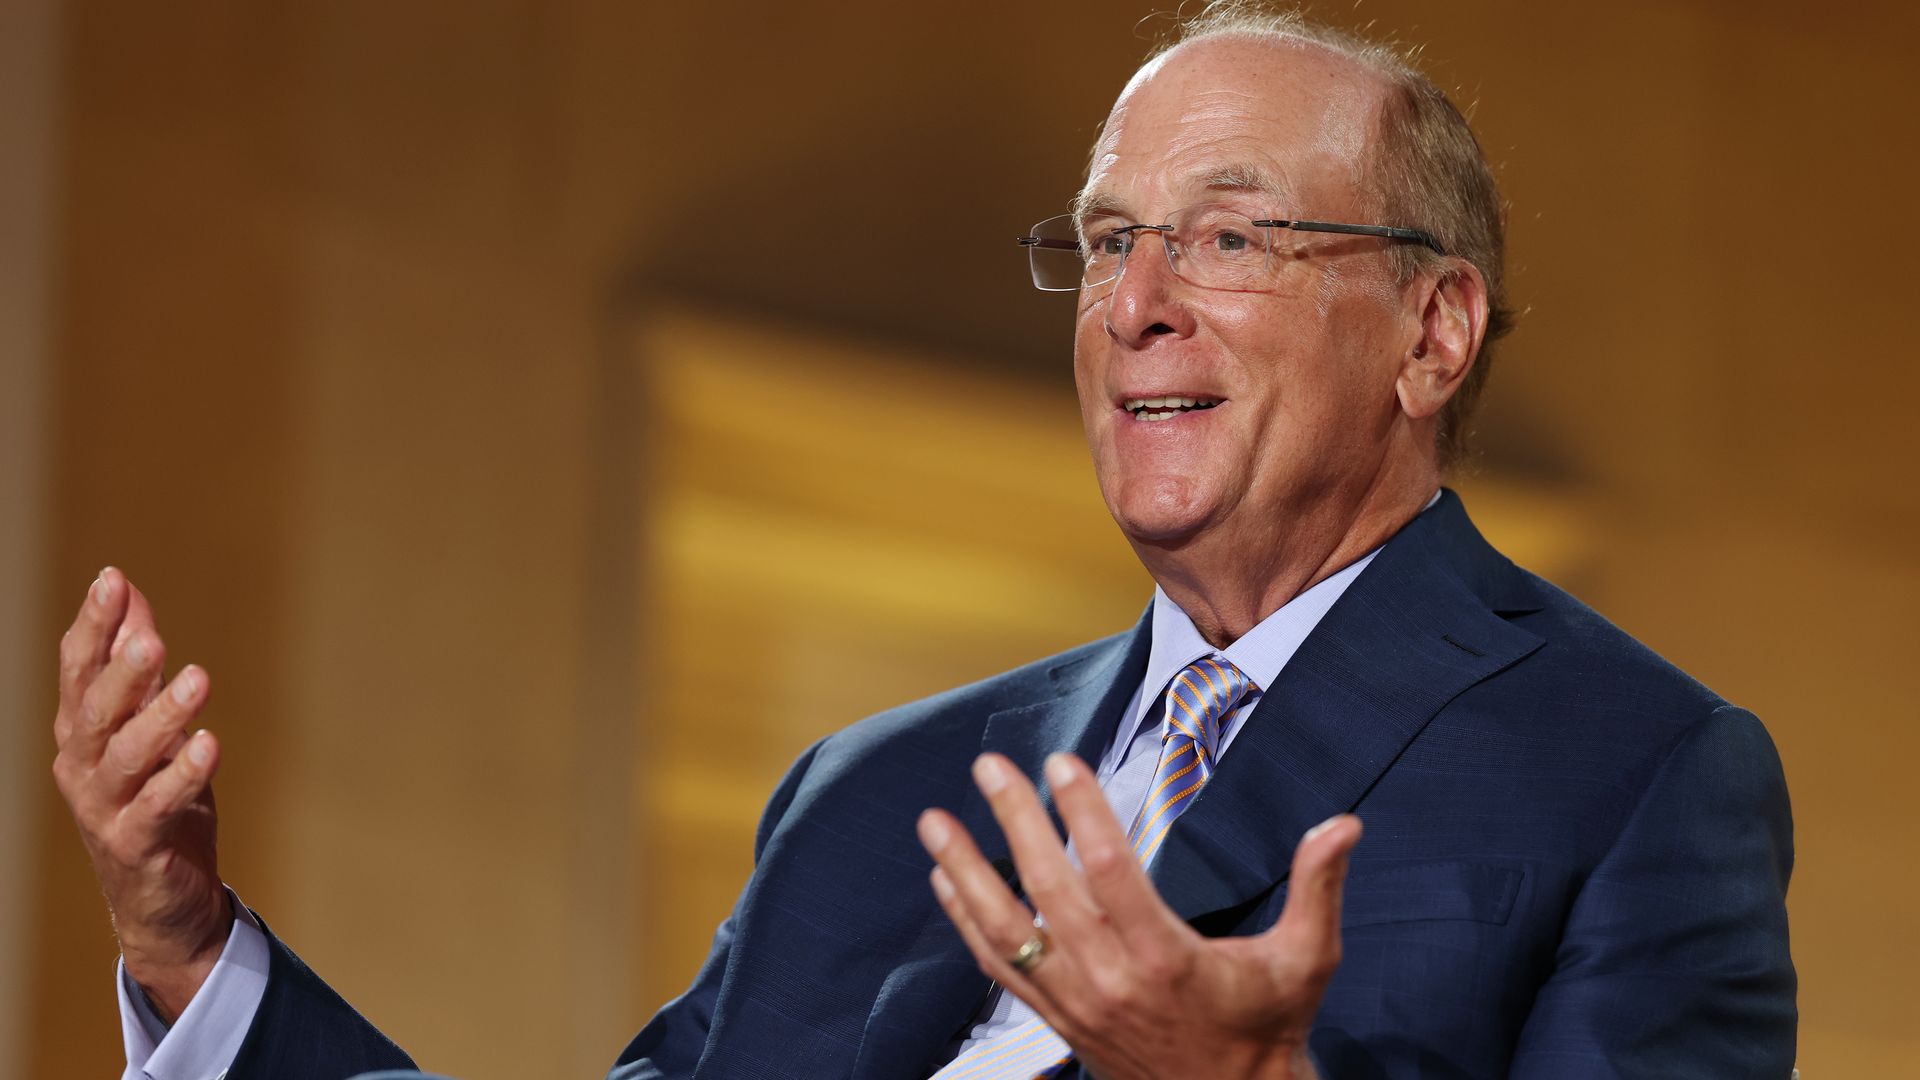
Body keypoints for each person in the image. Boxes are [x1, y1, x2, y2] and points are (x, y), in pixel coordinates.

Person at [53, 5, 1795, 1078]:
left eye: (1229, 238)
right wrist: (193, 957)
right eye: (1104, 242)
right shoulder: (874, 791)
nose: (1134, 303)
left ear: (1434, 332)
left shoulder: (1635, 774)